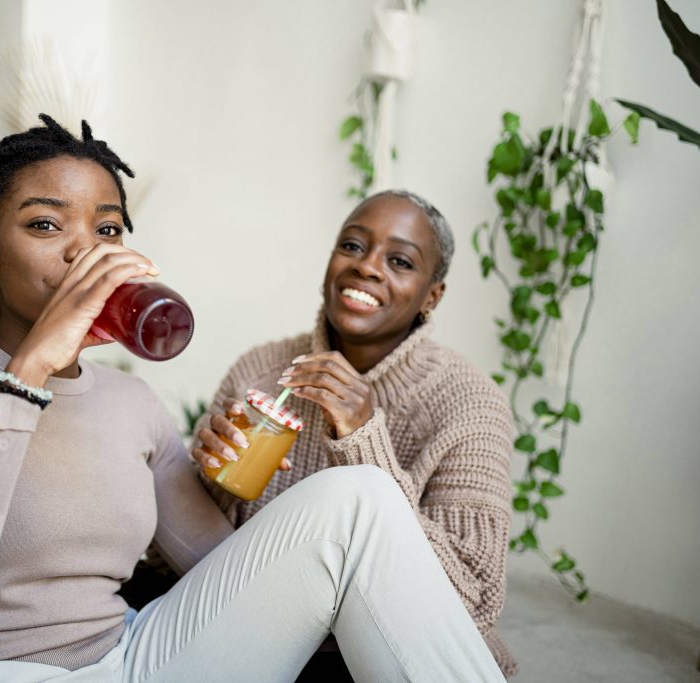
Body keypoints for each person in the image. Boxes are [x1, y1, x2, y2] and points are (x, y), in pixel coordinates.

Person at [0, 116, 506, 683]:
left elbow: (229, 571)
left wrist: (224, 482)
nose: (84, 251)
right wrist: (26, 377)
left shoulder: (130, 400)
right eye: (46, 223)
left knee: (355, 497)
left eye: (106, 230)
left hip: (137, 656)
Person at [193, 190, 518, 677]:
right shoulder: (262, 370)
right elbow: (189, 557)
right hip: (253, 630)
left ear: (433, 295)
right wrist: (212, 480)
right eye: (352, 246)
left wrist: (364, 440)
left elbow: (471, 600)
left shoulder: (469, 403)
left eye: (400, 261)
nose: (366, 267)